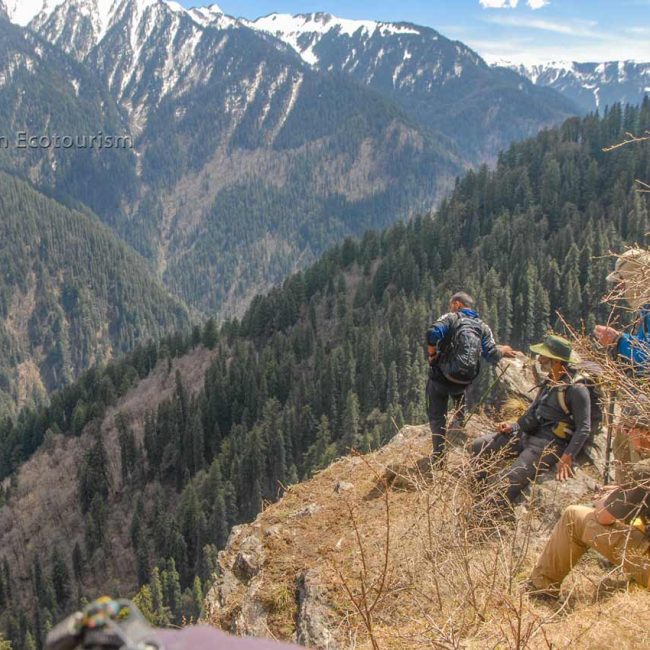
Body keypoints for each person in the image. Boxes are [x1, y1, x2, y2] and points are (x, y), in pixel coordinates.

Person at [471, 335, 592, 510]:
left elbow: (584, 427)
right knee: (479, 446)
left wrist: (568, 456)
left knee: (509, 479)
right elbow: (533, 411)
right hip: (527, 433)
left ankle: (485, 518)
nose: (540, 359)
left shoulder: (576, 389)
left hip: (549, 444)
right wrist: (513, 427)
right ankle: (477, 494)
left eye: (544, 356)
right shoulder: (550, 380)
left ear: (557, 361)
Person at [526, 458, 650, 600]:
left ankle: (541, 589)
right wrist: (624, 491)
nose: (625, 434)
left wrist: (605, 499)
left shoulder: (645, 469)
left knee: (573, 516)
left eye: (628, 433)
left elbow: (604, 516)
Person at [426, 292, 515, 463]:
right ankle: (459, 421)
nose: (450, 308)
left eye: (451, 304)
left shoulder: (451, 318)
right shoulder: (482, 327)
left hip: (441, 378)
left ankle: (438, 456)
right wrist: (503, 350)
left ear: (457, 304)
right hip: (464, 380)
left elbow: (432, 333)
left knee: (437, 414)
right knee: (458, 386)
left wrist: (432, 354)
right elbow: (491, 355)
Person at [594, 248, 650, 482]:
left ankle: (628, 511)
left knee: (638, 467)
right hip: (638, 402)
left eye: (623, 281)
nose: (621, 289)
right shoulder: (645, 311)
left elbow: (646, 358)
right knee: (624, 453)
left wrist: (619, 341)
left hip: (644, 407)